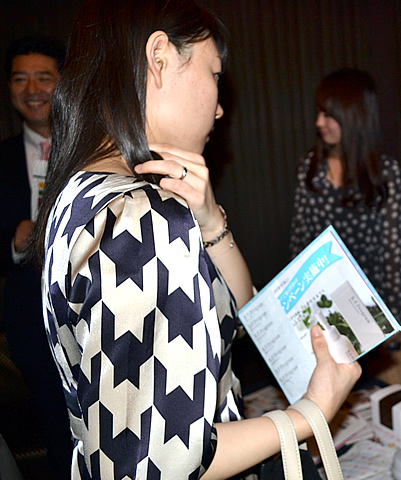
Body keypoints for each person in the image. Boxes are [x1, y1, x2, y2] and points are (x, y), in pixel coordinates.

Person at [29, 1, 361, 478]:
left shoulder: (82, 193)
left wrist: (209, 221)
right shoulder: (141, 218)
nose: (220, 106)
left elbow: (240, 314)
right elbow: (160, 463)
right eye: (214, 74)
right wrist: (311, 410)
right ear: (160, 58)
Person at [0, 35, 72, 479]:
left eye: (44, 77)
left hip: (99, 311)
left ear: (63, 83)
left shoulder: (93, 147)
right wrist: (13, 242)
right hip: (31, 321)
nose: (32, 90)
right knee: (58, 433)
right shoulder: (2, 159)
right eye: (19, 79)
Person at [289, 68, 401, 325]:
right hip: (322, 301)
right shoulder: (310, 168)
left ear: (353, 116)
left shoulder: (384, 172)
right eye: (318, 113)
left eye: (328, 115)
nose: (319, 123)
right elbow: (300, 242)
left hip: (370, 301)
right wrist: (295, 305)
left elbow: (395, 251)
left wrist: (394, 317)